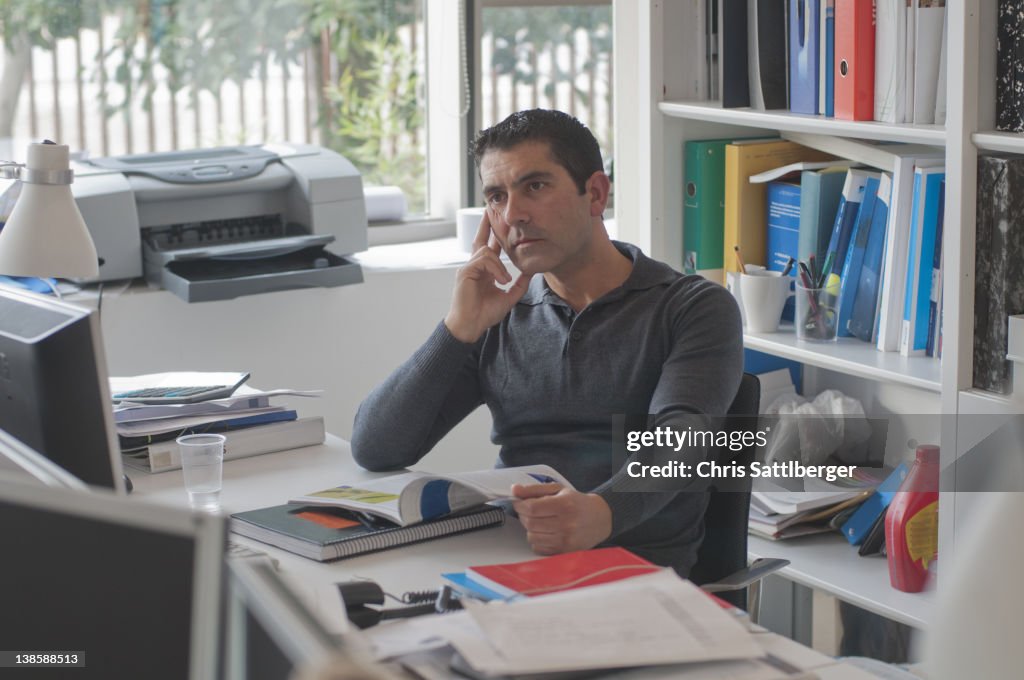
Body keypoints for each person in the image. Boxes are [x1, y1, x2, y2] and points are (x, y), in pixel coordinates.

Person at [351, 109, 743, 575]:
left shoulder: (692, 306)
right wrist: (456, 329)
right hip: (506, 560)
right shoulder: (496, 317)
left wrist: (605, 512)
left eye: (535, 186)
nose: (514, 214)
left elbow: (682, 440)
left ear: (595, 194)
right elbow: (376, 448)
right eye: (497, 196)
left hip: (632, 574)